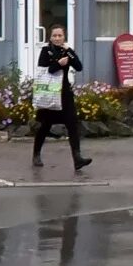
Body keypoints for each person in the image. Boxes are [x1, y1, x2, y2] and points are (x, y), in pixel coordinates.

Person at [33, 25, 92, 171]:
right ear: (50, 38)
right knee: (45, 125)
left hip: (64, 94)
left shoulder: (67, 51)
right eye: (55, 35)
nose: (57, 38)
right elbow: (45, 71)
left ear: (64, 37)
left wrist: (70, 51)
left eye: (60, 35)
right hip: (50, 94)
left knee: (72, 124)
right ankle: (36, 154)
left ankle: (77, 159)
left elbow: (78, 67)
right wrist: (58, 64)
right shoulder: (45, 51)